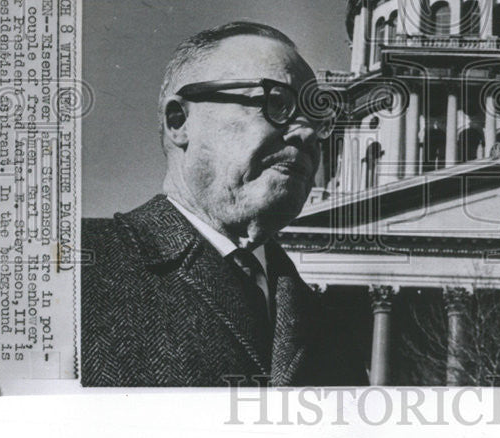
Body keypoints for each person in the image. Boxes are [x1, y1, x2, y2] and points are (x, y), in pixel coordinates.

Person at [82, 22, 365, 386]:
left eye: (317, 118)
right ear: (179, 121)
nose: (307, 131)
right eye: (276, 103)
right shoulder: (76, 269)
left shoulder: (333, 328)